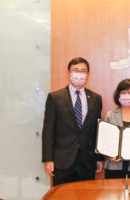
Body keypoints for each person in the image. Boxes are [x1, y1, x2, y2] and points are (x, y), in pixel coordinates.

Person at [42, 57, 103, 186]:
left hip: (87, 160)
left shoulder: (96, 99)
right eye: (75, 70)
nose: (79, 74)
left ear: (88, 74)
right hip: (62, 160)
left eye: (83, 71)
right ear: (68, 73)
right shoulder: (55, 97)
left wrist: (99, 158)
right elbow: (48, 130)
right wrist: (48, 159)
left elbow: (98, 131)